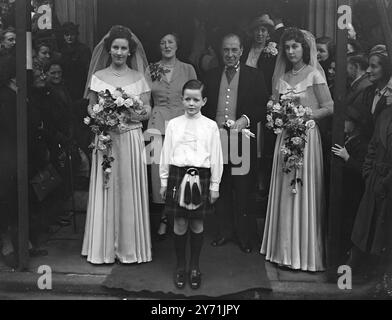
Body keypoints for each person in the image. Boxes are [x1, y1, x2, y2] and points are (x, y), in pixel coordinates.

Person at [261, 28, 334, 272]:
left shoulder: (314, 74)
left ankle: (303, 254)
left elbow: (329, 107)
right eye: (287, 47)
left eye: (295, 46)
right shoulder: (281, 77)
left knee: (301, 191)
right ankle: (282, 251)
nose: (291, 51)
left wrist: (306, 115)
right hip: (285, 138)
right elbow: (274, 105)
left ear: (304, 48)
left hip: (306, 137)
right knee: (285, 190)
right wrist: (276, 115)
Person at [81, 25, 152, 264]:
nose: (120, 52)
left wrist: (133, 112)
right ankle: (103, 249)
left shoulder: (139, 77)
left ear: (130, 51)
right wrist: (101, 115)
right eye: (116, 48)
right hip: (106, 139)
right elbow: (91, 106)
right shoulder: (98, 77)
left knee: (128, 187)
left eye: (124, 48)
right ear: (109, 50)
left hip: (130, 137)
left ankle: (130, 248)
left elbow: (147, 109)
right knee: (107, 186)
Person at [203, 33, 269, 253]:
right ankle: (224, 232)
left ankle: (244, 236)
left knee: (243, 188)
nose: (230, 55)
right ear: (221, 51)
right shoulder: (211, 75)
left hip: (242, 141)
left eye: (234, 50)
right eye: (226, 50)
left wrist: (245, 119)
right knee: (221, 185)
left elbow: (262, 106)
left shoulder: (254, 75)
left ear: (242, 51)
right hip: (217, 140)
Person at [160, 79, 223, 290]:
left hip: (201, 177)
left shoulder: (210, 126)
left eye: (196, 99)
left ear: (204, 101)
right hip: (178, 175)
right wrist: (163, 181)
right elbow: (166, 153)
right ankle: (181, 267)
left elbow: (216, 157)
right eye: (187, 99)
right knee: (179, 223)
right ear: (182, 99)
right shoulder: (174, 125)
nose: (191, 103)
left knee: (197, 223)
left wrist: (215, 185)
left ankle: (195, 267)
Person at [146, 33, 197, 240]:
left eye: (170, 42)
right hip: (157, 126)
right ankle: (164, 217)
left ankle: (174, 218)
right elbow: (144, 99)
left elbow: (195, 98)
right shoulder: (151, 69)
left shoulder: (188, 69)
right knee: (159, 175)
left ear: (177, 46)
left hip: (182, 125)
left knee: (180, 171)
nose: (166, 45)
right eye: (162, 42)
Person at [350, 106, 392, 297]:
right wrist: (368, 173)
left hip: (388, 184)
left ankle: (384, 282)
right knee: (367, 229)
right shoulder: (385, 114)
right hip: (375, 180)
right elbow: (374, 145)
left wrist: (386, 181)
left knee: (385, 236)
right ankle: (365, 275)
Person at [241, 14, 278, 198]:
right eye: (257, 30)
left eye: (264, 30)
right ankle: (247, 180)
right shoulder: (246, 49)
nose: (260, 34)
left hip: (264, 97)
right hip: (246, 97)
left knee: (263, 140)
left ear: (269, 33)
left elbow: (274, 76)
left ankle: (262, 182)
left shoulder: (272, 52)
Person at [331, 105, 369, 262]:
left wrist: (347, 158)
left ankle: (345, 263)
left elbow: (363, 170)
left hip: (354, 195)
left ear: (355, 124)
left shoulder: (362, 144)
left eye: (346, 121)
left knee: (349, 227)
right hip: (344, 193)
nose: (343, 124)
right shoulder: (346, 139)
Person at [355, 45, 392, 140]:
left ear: (386, 68)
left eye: (373, 66)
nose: (368, 70)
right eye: (368, 66)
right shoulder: (368, 92)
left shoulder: (390, 95)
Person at [59, 22, 91, 101]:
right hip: (65, 86)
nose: (69, 37)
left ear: (76, 35)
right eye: (67, 35)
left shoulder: (84, 49)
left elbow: (88, 70)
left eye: (72, 34)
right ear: (63, 36)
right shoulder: (61, 50)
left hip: (80, 85)